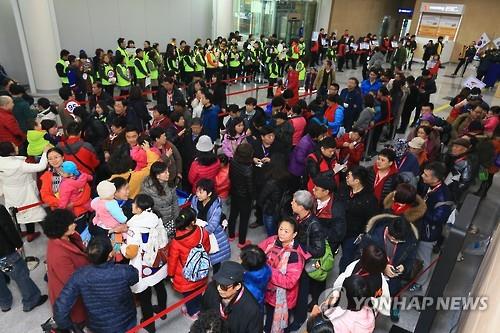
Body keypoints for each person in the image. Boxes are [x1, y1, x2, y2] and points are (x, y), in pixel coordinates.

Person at [54, 236, 139, 333]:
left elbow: (60, 307)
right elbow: (135, 278)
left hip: (98, 326)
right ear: (110, 255)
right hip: (126, 323)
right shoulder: (123, 271)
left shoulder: (80, 275)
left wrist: (69, 327)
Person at [121, 194, 168, 333]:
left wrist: (122, 246)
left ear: (140, 208)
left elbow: (131, 252)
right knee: (159, 285)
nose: (131, 205)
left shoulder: (135, 227)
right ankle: (162, 311)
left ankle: (149, 324)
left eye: (134, 204)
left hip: (143, 264)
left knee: (145, 296)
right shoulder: (155, 217)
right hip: (158, 260)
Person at [363, 214, 418, 321]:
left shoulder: (411, 240)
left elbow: (411, 259)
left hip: (395, 279)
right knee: (373, 296)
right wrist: (383, 268)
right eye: (393, 240)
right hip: (375, 275)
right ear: (387, 230)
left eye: (399, 242)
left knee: (395, 294)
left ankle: (394, 308)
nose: (396, 243)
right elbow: (363, 259)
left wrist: (404, 267)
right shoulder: (372, 237)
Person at [411, 162, 454, 292]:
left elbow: (438, 219)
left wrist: (421, 209)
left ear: (436, 179)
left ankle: (420, 282)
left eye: (426, 175)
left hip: (428, 233)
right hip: (420, 227)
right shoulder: (428, 186)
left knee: (423, 258)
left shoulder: (443, 197)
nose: (422, 176)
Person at [259, 218, 307, 332]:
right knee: (269, 317)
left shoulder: (295, 256)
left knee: (280, 323)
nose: (281, 233)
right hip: (268, 291)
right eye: (281, 229)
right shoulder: (273, 240)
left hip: (283, 297)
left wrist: (267, 269)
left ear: (294, 234)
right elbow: (258, 250)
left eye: (286, 231)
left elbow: (289, 281)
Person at [42, 209, 89, 327]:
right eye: (71, 223)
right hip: (72, 298)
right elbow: (71, 281)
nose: (75, 224)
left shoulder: (68, 237)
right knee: (79, 322)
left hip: (81, 282)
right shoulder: (58, 254)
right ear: (61, 228)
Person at [0, 204, 48, 313]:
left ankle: (4, 303)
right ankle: (32, 300)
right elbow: (8, 228)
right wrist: (18, 244)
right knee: (20, 275)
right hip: (5, 253)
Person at [288, 190, 325, 331]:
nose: (291, 203)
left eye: (294, 202)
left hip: (305, 264)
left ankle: (299, 319)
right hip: (295, 259)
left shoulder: (314, 225)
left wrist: (299, 248)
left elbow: (319, 250)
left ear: (302, 207)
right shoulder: (297, 216)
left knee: (302, 293)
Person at [0, 142, 49, 242]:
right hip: (25, 191)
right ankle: (36, 234)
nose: (17, 146)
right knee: (33, 212)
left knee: (15, 213)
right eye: (14, 146)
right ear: (11, 151)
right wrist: (45, 152)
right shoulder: (19, 165)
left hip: (9, 192)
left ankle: (20, 233)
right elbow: (41, 166)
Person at [168, 207, 211, 319]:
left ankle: (192, 312)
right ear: (193, 222)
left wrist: (171, 275)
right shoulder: (203, 232)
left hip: (185, 275)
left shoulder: (176, 241)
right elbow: (207, 248)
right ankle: (199, 308)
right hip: (201, 270)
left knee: (189, 295)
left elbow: (172, 259)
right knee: (198, 292)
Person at [201, 261, 263, 333]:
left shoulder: (252, 310)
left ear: (237, 286)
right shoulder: (211, 288)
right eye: (217, 282)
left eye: (224, 286)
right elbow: (203, 312)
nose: (219, 288)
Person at [332, 244, 391, 316]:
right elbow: (384, 303)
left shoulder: (354, 267)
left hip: (350, 308)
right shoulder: (380, 281)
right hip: (364, 312)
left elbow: (338, 286)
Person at [191, 179, 231, 272]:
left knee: (215, 258)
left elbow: (212, 226)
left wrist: (198, 233)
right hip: (200, 233)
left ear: (209, 194)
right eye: (197, 191)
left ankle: (216, 277)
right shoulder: (195, 200)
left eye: (201, 192)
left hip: (213, 235)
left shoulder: (215, 205)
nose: (197, 195)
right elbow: (192, 215)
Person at [141, 161, 179, 237]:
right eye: (165, 172)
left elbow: (175, 202)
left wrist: (177, 219)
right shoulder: (147, 189)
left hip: (170, 219)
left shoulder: (170, 184)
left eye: (168, 171)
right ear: (157, 176)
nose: (168, 174)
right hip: (157, 222)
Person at [228, 143, 254, 247]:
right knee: (244, 218)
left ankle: (231, 235)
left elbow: (230, 176)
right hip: (245, 197)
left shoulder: (233, 161)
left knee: (233, 215)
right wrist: (253, 198)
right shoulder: (248, 169)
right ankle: (242, 242)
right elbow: (250, 187)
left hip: (234, 192)